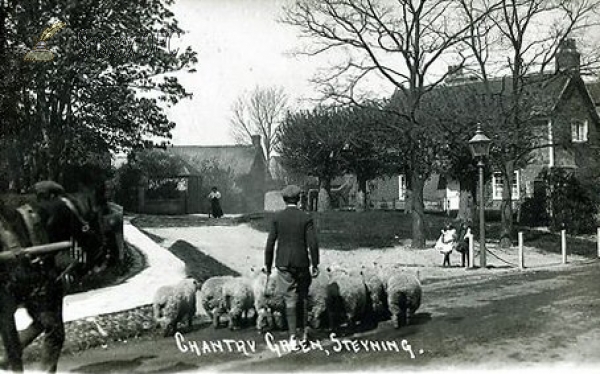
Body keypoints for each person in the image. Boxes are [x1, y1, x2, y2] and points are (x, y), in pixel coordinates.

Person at [264, 184, 320, 345]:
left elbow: (270, 244)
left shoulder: (277, 218)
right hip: (302, 263)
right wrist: (315, 264)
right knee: (302, 297)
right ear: (299, 198)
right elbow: (313, 244)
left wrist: (267, 266)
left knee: (289, 299)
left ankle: (292, 338)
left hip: (283, 263)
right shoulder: (306, 217)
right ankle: (303, 334)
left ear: (283, 199)